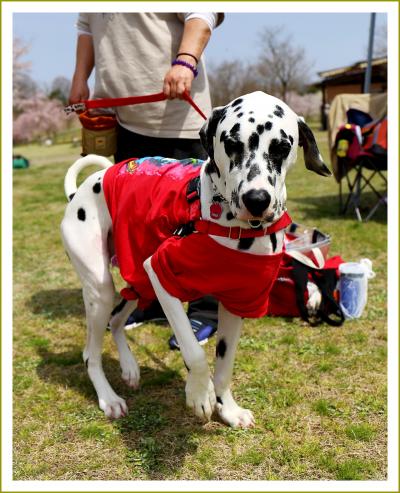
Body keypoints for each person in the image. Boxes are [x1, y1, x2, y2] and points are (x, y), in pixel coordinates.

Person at [69, 13, 223, 341]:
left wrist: (185, 60)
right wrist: (80, 76)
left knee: (199, 223)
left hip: (180, 120)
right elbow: (86, 26)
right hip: (124, 120)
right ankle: (151, 301)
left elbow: (204, 12)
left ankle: (206, 308)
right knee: (138, 223)